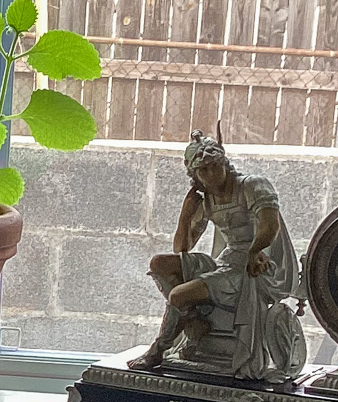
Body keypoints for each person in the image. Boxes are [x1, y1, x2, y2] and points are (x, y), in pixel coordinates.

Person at [131, 129, 306, 381]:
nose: (212, 174)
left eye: (215, 166)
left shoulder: (252, 185)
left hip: (254, 267)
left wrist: (255, 250)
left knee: (178, 295)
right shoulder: (207, 200)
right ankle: (194, 320)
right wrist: (185, 215)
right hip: (227, 262)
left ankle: (158, 351)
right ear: (195, 175)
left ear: (224, 162)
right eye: (203, 170)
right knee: (159, 263)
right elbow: (182, 248)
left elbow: (270, 226)